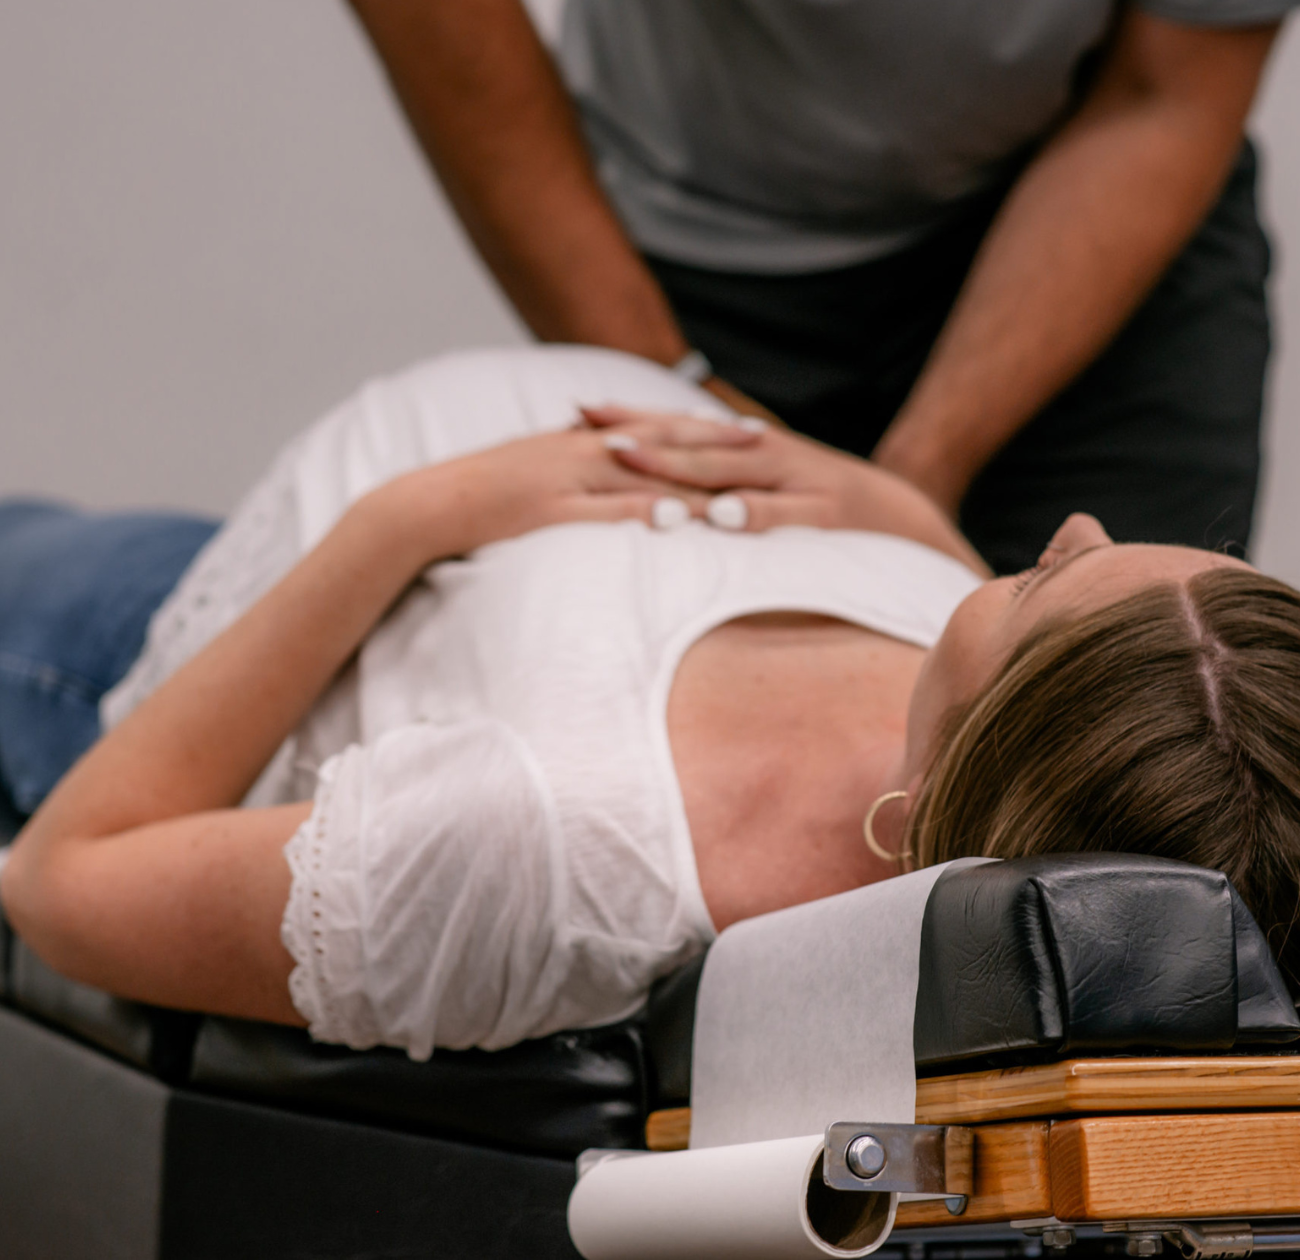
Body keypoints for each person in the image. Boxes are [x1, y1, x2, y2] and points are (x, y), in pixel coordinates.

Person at [1, 347, 1298, 1063]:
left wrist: (411, 521)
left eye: (1037, 583)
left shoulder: (551, 850)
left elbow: (66, 882)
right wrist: (906, 529)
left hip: (149, 640)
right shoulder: (984, 761)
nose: (1069, 523)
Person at [335, 0, 1298, 572]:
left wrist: (920, 471)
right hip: (699, 274)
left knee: (1119, 782)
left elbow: (1162, 91)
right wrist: (670, 379)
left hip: (1097, 237)